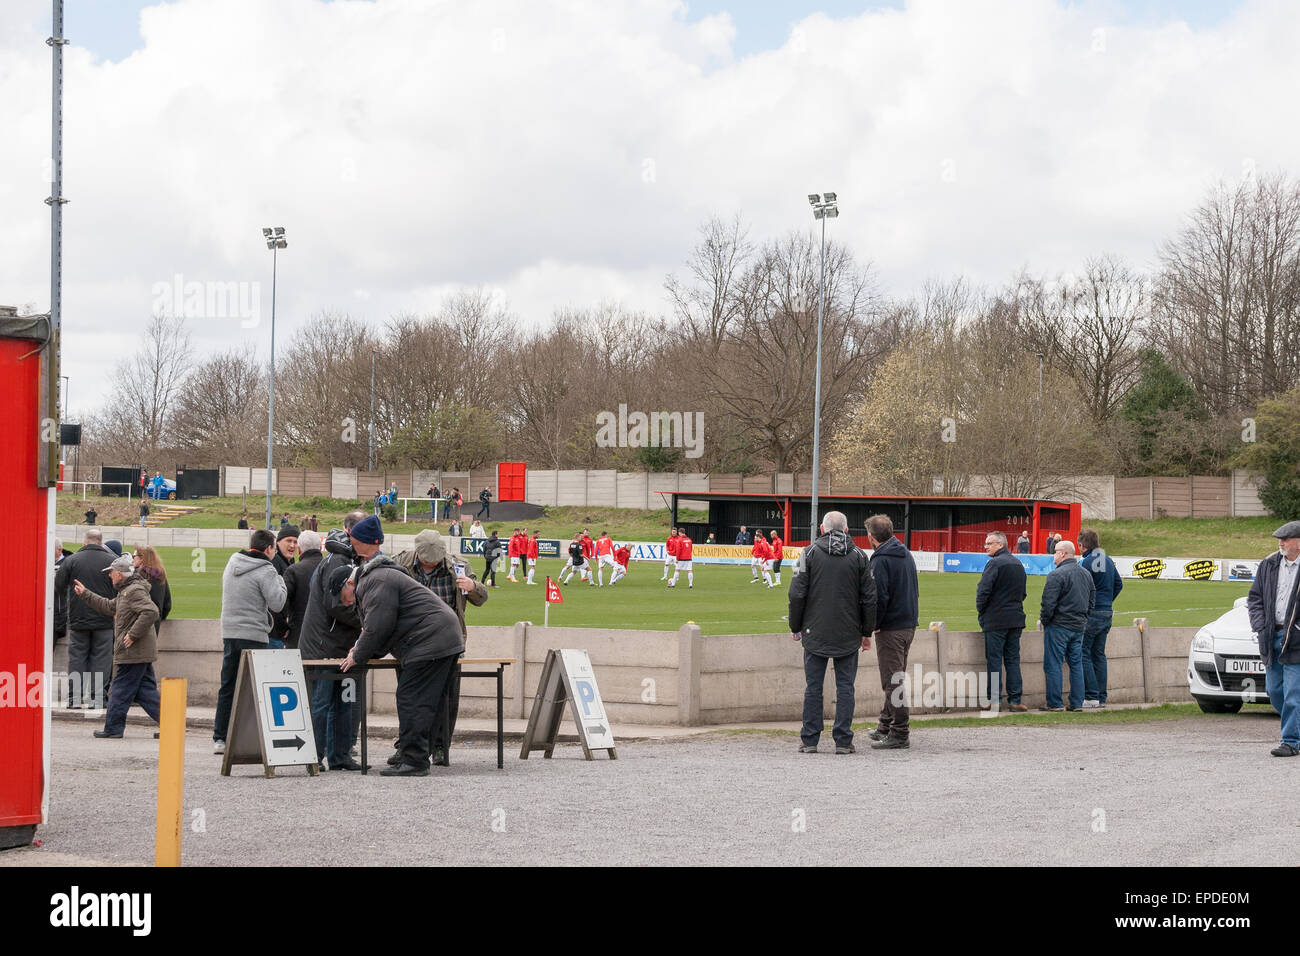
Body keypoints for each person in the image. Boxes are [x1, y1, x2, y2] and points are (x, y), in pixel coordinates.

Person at [341, 533, 467, 777]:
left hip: (431, 641)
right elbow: (382, 630)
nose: (347, 604)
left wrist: (358, 655)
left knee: (412, 699)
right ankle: (416, 756)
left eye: (345, 599)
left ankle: (414, 761)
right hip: (445, 638)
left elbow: (377, 625)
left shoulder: (375, 581)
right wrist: (362, 649)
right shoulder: (386, 576)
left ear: (349, 584)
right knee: (427, 701)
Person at [392, 529, 489, 767]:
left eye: (436, 558)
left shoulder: (459, 566)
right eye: (427, 559)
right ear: (418, 552)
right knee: (410, 699)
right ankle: (408, 748)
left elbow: (482, 598)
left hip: (448, 644)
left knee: (446, 698)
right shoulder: (399, 563)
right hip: (410, 644)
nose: (432, 563)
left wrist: (473, 586)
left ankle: (439, 746)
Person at [789, 510, 876, 755]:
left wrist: (795, 627)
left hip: (814, 629)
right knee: (846, 686)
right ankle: (843, 740)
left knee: (813, 686)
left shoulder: (808, 553)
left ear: (822, 530)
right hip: (849, 631)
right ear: (847, 530)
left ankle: (809, 739)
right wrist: (866, 632)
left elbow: (796, 594)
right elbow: (869, 598)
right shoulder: (860, 555)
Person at [298, 512, 367, 771]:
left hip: (337, 645)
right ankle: (315, 756)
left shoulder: (343, 558)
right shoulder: (339, 560)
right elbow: (334, 603)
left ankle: (339, 756)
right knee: (323, 702)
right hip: (323, 646)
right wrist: (364, 622)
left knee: (343, 702)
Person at [213, 529, 288, 754]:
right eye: (275, 548)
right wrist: (281, 581)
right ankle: (253, 738)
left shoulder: (232, 562)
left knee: (228, 685)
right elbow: (278, 603)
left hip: (230, 632)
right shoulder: (267, 569)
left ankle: (220, 738)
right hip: (254, 634)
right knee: (255, 689)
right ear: (268, 549)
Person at [72, 554, 161, 738]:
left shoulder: (133, 591)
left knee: (120, 690)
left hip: (133, 651)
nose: (109, 575)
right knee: (146, 693)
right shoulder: (127, 591)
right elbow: (109, 606)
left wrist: (132, 635)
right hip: (139, 651)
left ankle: (113, 728)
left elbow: (151, 612)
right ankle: (172, 725)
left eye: (111, 572)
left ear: (120, 574)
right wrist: (86, 594)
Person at [1247, 521, 1300, 757]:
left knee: (1292, 693)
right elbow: (1255, 598)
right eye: (1280, 539)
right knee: (1274, 690)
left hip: (1296, 639)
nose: (1281, 543)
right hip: (1271, 636)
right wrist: (1260, 626)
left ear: (1298, 542)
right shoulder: (1269, 564)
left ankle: (1290, 741)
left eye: (1286, 539)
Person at [866, 514, 919, 750]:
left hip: (891, 628)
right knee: (894, 678)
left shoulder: (880, 560)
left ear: (871, 536)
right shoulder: (905, 554)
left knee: (892, 681)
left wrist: (872, 625)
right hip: (908, 624)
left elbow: (880, 598)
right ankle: (885, 725)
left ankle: (900, 731)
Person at [55, 529, 117, 708]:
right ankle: (97, 699)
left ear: (84, 542)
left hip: (78, 618)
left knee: (77, 659)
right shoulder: (111, 561)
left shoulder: (72, 560)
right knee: (102, 660)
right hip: (104, 619)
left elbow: (59, 586)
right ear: (100, 542)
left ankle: (74, 698)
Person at [1039, 539, 1095, 713]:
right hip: (1078, 626)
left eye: (1055, 552)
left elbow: (1048, 603)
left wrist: (1046, 621)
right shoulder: (1085, 573)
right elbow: (1092, 600)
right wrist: (1084, 617)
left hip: (1059, 626)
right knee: (1076, 664)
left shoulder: (1056, 575)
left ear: (1063, 553)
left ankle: (1055, 703)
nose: (1053, 555)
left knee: (1053, 664)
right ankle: (1077, 703)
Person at [976, 531, 1028, 712]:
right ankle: (1015, 700)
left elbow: (983, 592)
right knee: (1013, 660)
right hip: (1015, 618)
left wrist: (982, 613)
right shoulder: (1018, 563)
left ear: (1000, 544)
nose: (986, 546)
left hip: (996, 619)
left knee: (994, 661)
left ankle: (994, 700)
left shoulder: (994, 563)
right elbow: (1023, 593)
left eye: (989, 543)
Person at [1078, 528, 1123, 710]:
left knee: (1084, 653)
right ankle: (1102, 697)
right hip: (1106, 612)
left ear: (1082, 545)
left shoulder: (1087, 562)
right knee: (1099, 654)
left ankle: (1091, 696)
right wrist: (1107, 602)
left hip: (1093, 613)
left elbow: (1080, 587)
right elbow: (1119, 584)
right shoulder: (1108, 560)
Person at [282, 529, 323, 650]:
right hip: (325, 636)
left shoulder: (293, 570)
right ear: (320, 548)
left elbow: (281, 602)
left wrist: (283, 628)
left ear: (299, 549)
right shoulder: (331, 568)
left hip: (297, 635)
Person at [266, 524, 298, 649]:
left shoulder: (288, 563)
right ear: (278, 542)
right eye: (288, 540)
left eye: (295, 542)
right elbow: (271, 601)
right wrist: (282, 627)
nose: (292, 545)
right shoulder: (274, 563)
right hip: (274, 633)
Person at [132, 546, 172, 636]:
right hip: (154, 623)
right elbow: (167, 605)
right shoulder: (160, 576)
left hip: (135, 624)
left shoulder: (135, 576)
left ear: (142, 558)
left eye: (133, 556)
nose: (132, 559)